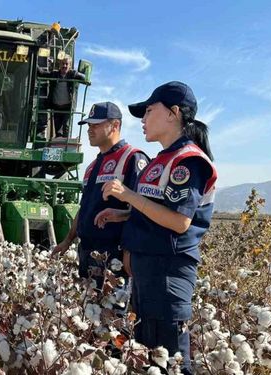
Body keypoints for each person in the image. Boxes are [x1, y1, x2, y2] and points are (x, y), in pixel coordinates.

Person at [95, 81, 217, 374]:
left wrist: (127, 195)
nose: (143, 120)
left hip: (168, 273)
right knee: (147, 354)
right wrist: (123, 214)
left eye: (149, 111)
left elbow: (179, 221)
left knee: (170, 359)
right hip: (149, 272)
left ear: (174, 113)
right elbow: (154, 211)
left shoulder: (187, 161)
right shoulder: (160, 161)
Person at [53, 102, 148, 288]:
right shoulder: (91, 167)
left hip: (114, 257)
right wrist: (67, 240)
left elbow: (143, 210)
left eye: (96, 125)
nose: (90, 130)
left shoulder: (132, 158)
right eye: (89, 125)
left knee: (113, 312)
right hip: (87, 253)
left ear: (115, 126)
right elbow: (84, 208)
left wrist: (130, 252)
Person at [37, 56, 85, 138]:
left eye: (67, 64)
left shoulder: (72, 74)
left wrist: (78, 74)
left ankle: (64, 146)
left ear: (69, 66)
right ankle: (58, 146)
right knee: (58, 130)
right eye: (63, 64)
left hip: (67, 107)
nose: (64, 66)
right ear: (59, 64)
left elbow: (83, 77)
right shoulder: (54, 74)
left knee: (66, 127)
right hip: (57, 107)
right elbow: (41, 73)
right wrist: (34, 58)